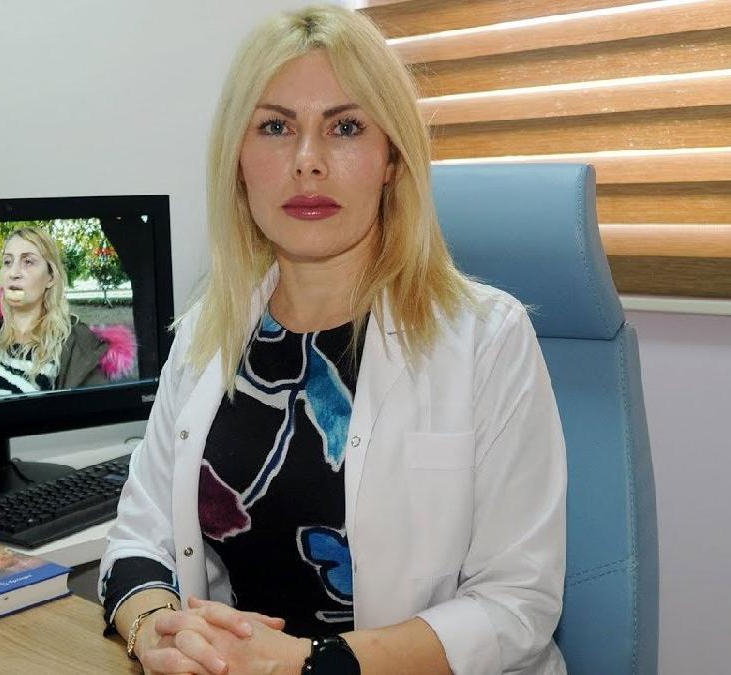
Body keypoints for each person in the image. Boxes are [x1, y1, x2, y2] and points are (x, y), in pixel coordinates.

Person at [100, 5, 566, 675]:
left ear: (391, 159)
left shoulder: (488, 337)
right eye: (275, 127)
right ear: (238, 159)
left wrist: (307, 663)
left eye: (345, 127)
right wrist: (154, 630)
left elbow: (516, 606)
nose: (307, 163)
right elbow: (138, 535)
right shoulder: (209, 330)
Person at [0, 227, 135, 400]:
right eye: (7, 262)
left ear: (50, 277)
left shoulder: (80, 349)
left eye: (28, 261)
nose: (13, 273)